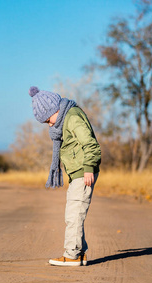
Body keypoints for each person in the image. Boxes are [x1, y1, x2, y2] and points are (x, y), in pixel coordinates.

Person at [29, 86, 101, 266]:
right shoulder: (67, 117)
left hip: (84, 171)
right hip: (79, 172)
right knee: (74, 212)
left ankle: (71, 255)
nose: (50, 125)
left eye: (48, 120)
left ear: (55, 110)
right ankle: (80, 253)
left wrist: (88, 168)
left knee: (74, 214)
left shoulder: (73, 118)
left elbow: (90, 143)